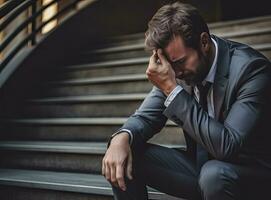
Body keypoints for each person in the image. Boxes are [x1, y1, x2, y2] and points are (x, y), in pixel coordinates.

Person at [102, 2, 271, 200]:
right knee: (123, 155)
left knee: (214, 175)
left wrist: (172, 89)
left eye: (180, 62)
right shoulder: (178, 71)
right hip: (203, 171)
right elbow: (144, 118)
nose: (176, 72)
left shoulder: (251, 70)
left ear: (204, 42)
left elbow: (227, 146)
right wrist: (121, 137)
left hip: (254, 177)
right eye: (170, 65)